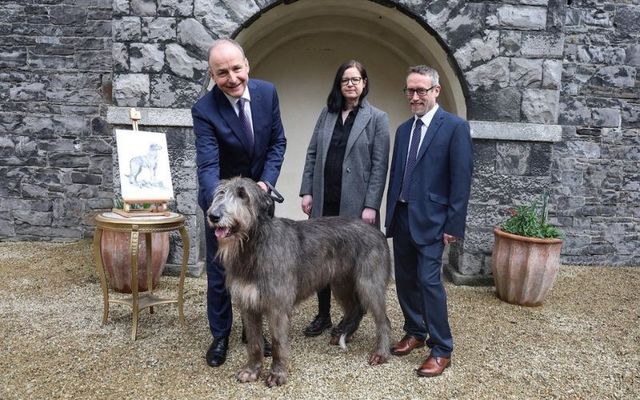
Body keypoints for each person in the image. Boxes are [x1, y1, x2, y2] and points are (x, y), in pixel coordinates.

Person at [192, 38, 287, 367]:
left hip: (259, 204)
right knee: (220, 275)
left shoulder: (267, 93)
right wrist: (215, 208)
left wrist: (266, 183)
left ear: (247, 65)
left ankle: (255, 332)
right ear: (212, 74)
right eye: (222, 72)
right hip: (223, 204)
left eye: (236, 68)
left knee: (262, 270)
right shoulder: (204, 110)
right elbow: (208, 167)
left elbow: (278, 142)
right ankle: (220, 335)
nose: (231, 78)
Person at [385, 65, 473, 377]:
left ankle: (441, 348)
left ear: (436, 91)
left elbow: (461, 181)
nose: (415, 96)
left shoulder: (454, 127)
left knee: (429, 281)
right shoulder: (403, 130)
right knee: (406, 279)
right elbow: (397, 176)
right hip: (403, 215)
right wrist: (390, 214)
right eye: (410, 90)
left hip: (435, 220)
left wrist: (453, 224)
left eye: (422, 90)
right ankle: (415, 331)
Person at [299, 60, 390, 341]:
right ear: (339, 85)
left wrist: (371, 205)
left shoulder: (377, 118)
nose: (350, 84)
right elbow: (312, 153)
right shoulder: (326, 115)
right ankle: (323, 314)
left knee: (352, 264)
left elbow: (379, 165)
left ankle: (353, 317)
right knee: (319, 260)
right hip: (325, 197)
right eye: (345, 80)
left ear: (364, 83)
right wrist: (307, 191)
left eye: (356, 79)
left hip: (355, 204)